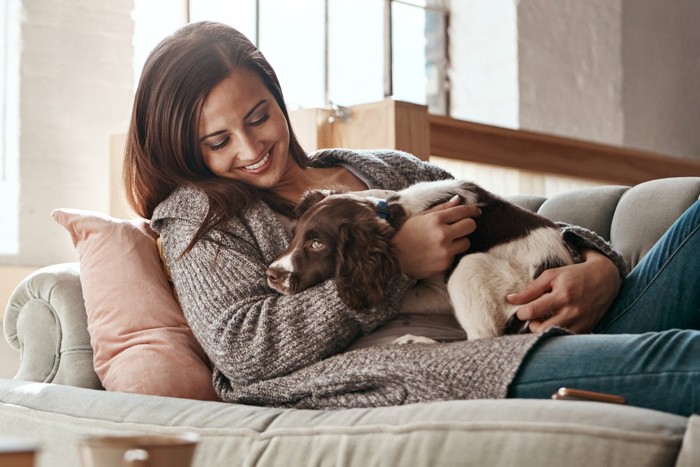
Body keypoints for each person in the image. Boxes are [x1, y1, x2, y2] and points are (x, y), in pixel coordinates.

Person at [123, 21, 698, 415]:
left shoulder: (383, 166)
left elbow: (502, 218)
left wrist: (599, 266)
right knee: (685, 358)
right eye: (218, 140)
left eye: (259, 116)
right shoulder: (200, 213)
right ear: (185, 148)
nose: (249, 148)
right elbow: (244, 351)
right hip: (474, 361)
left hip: (558, 308)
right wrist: (397, 263)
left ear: (276, 95)